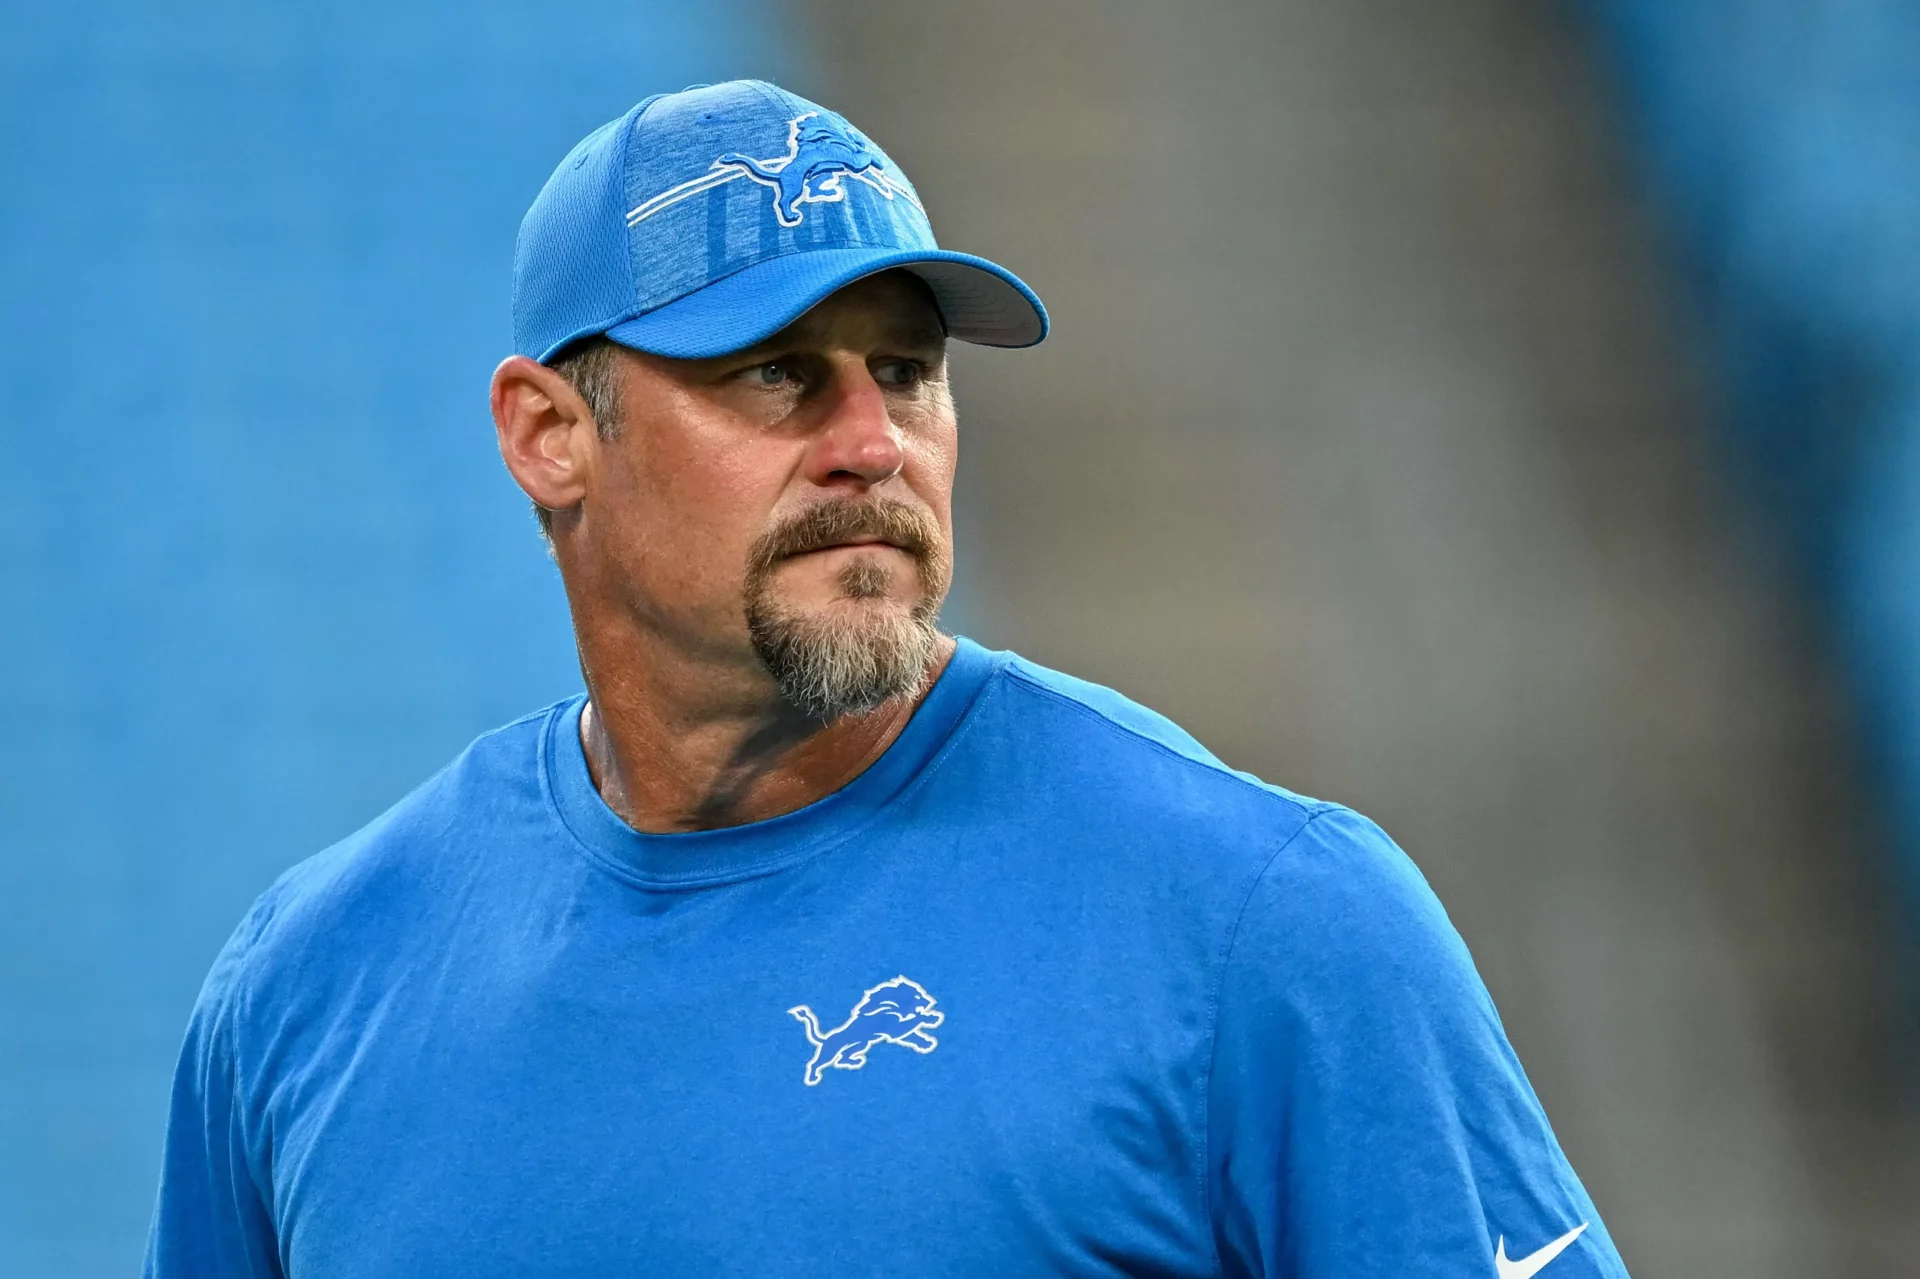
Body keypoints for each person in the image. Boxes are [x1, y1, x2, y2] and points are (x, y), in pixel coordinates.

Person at [144, 80, 1631, 1278]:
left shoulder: (1265, 922)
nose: (874, 444)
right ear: (549, 437)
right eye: (776, 371)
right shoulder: (305, 996)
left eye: (908, 371)